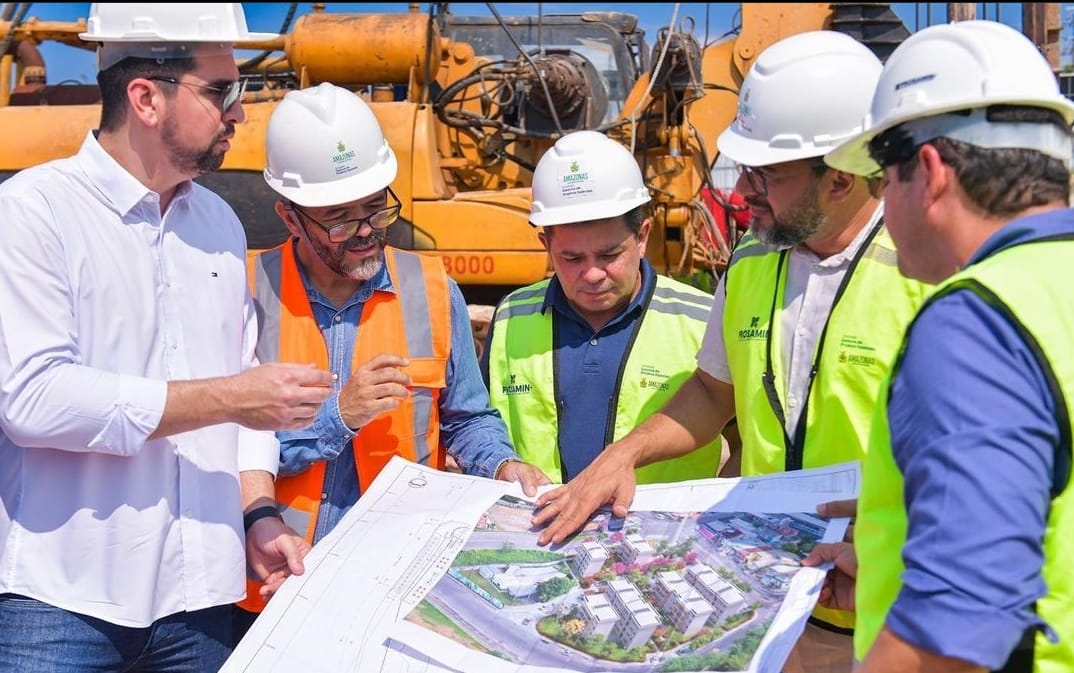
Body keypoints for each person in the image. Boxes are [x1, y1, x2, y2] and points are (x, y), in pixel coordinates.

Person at [531, 31, 933, 672]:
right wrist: (624, 454)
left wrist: (901, 550)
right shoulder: (749, 263)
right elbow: (713, 393)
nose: (742, 190)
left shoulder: (927, 270)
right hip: (774, 598)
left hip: (897, 610)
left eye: (765, 174)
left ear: (840, 176)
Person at [0, 5, 335, 672]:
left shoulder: (217, 223)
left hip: (199, 602)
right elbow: (32, 399)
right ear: (145, 97)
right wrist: (230, 396)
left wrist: (258, 513)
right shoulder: (33, 214)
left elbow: (246, 404)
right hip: (62, 602)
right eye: (221, 91)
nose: (239, 112)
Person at [233, 82, 552, 641]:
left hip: (394, 578)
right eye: (339, 217)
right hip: (274, 585)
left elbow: (466, 419)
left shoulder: (431, 290)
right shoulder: (243, 293)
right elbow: (217, 446)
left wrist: (502, 465)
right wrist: (339, 415)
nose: (365, 231)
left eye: (375, 208)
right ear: (289, 216)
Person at [804, 19, 1074, 672]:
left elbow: (957, 624)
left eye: (882, 180)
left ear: (928, 172)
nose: (882, 206)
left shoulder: (976, 324)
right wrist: (888, 565)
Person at [480, 130, 726, 485]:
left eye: (610, 255)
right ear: (545, 245)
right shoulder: (511, 317)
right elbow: (480, 422)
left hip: (660, 537)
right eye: (572, 257)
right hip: (538, 533)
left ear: (642, 237)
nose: (593, 274)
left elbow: (744, 433)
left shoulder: (700, 318)